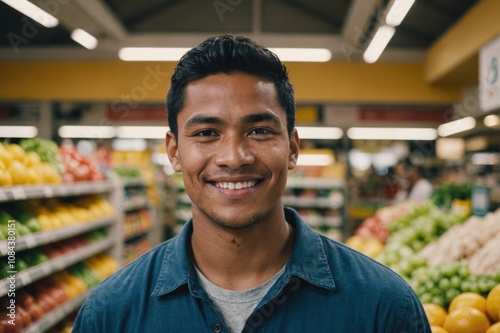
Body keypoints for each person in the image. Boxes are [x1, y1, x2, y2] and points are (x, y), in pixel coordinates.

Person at [72, 35, 431, 333]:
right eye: (207, 132)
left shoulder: (385, 309)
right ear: (174, 151)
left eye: (259, 131)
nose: (234, 156)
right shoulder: (110, 314)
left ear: (292, 148)